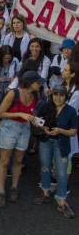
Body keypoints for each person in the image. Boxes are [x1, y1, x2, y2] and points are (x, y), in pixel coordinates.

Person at [0, 71, 43, 208]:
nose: (40, 84)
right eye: (38, 82)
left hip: (25, 129)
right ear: (29, 82)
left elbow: (32, 112)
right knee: (4, 161)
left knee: (18, 160)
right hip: (9, 128)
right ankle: (1, 191)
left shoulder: (35, 95)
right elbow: (0, 113)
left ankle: (14, 187)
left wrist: (34, 119)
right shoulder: (13, 93)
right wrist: (20, 113)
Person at [32, 84, 78, 218]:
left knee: (62, 173)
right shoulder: (46, 107)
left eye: (61, 95)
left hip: (61, 144)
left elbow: (73, 132)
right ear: (51, 95)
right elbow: (37, 120)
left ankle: (62, 200)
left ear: (66, 96)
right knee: (45, 167)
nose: (58, 98)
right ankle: (45, 193)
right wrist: (44, 128)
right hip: (46, 141)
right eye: (55, 94)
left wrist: (60, 130)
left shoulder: (71, 111)